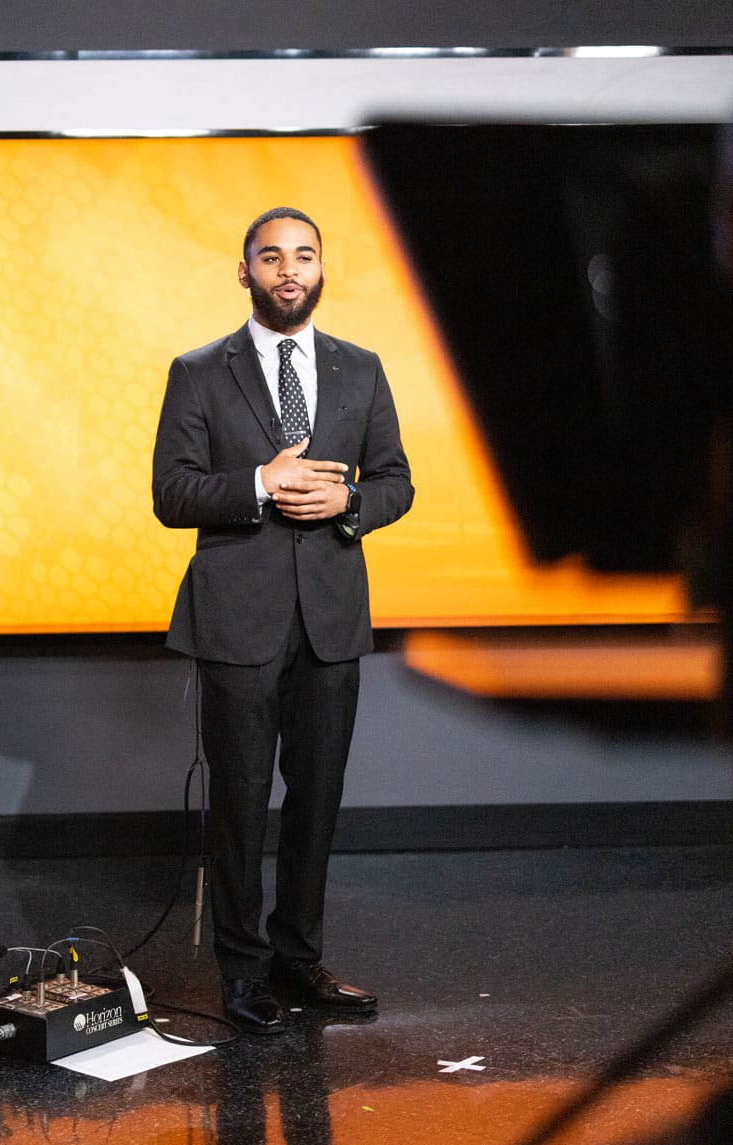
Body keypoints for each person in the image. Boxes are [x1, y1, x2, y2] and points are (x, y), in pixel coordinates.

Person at [152, 207, 414, 1035]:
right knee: (238, 802)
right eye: (272, 257)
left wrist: (351, 502)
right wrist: (259, 484)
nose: (289, 269)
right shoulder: (198, 372)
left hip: (331, 620)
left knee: (317, 799)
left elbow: (398, 482)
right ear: (245, 272)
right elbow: (172, 494)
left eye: (304, 255)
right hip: (237, 620)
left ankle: (300, 962)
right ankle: (241, 974)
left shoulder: (361, 369)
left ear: (322, 268)